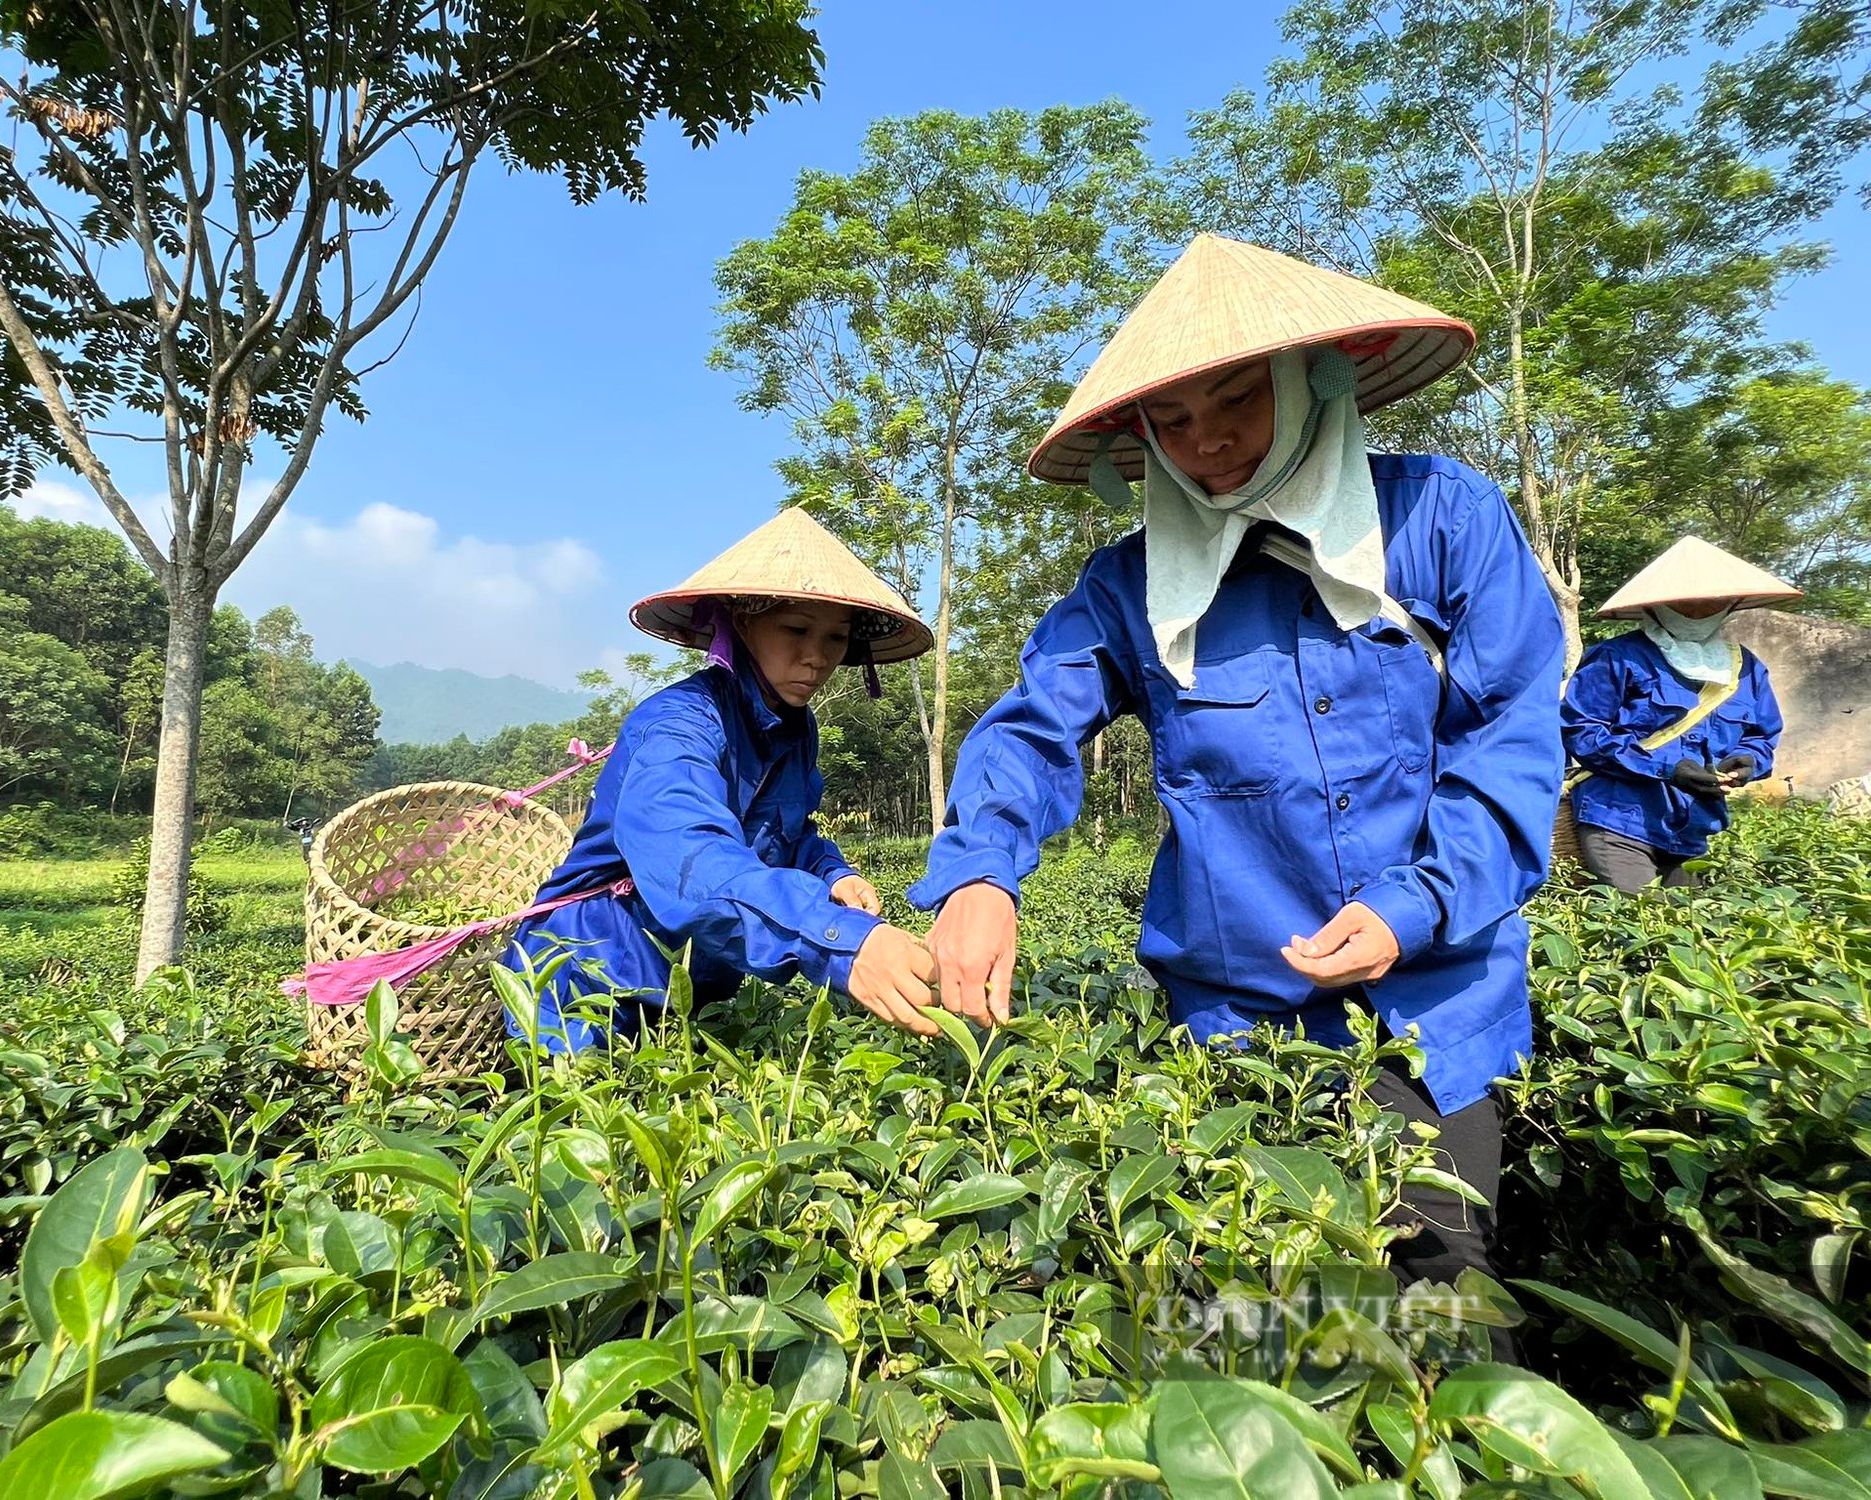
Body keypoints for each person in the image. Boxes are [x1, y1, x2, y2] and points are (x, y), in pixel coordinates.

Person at [909, 234, 1565, 1293]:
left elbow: (1511, 745)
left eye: (1233, 403)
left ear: (1310, 384)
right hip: (1238, 1032)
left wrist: (1414, 906)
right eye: (1169, 422)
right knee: (1268, 1331)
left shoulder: (1440, 520)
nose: (1204, 443)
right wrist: (979, 870)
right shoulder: (1127, 587)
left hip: (1431, 1011)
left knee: (1441, 1320)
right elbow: (1029, 729)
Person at [501, 508, 942, 1051]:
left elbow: (786, 833)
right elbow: (692, 861)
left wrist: (831, 873)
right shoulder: (676, 727)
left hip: (690, 989)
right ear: (743, 622)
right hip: (585, 982)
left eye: (836, 638)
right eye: (797, 629)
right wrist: (839, 942)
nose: (816, 657)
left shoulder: (794, 727)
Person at [1561, 537, 1796, 893]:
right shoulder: (1616, 658)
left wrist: (1748, 761)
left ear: (1730, 604)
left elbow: (1761, 737)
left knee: (1694, 927)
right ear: (1657, 606)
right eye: (1686, 603)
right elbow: (1582, 731)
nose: (1699, 609)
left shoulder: (1745, 668)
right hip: (1619, 819)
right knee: (1638, 923)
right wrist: (1666, 768)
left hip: (1694, 826)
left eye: (1712, 602)